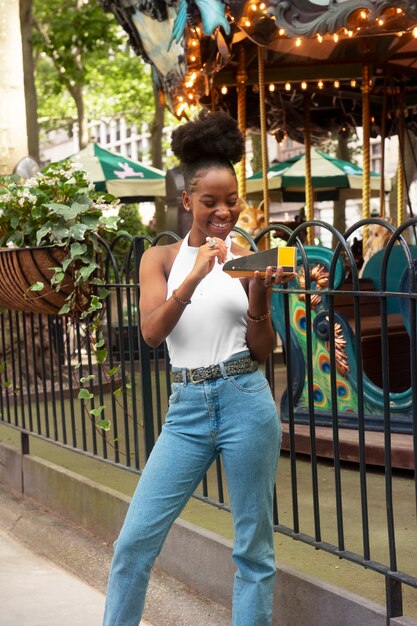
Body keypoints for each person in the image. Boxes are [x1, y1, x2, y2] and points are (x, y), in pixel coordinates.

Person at [102, 110, 293, 626]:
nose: (223, 212)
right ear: (187, 201)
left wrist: (258, 296)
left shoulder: (248, 253)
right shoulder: (160, 259)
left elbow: (263, 348)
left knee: (253, 550)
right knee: (133, 544)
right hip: (186, 410)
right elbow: (150, 332)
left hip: (245, 400)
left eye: (231, 200)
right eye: (210, 202)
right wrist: (193, 277)